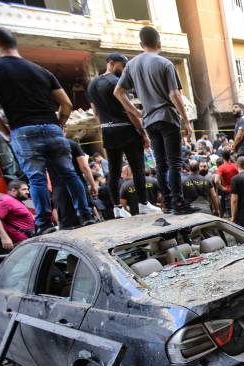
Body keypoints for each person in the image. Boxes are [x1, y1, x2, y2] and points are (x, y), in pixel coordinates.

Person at [0, 26, 94, 234]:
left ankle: (44, 223)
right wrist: (59, 125)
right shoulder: (41, 71)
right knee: (69, 174)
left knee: (36, 179)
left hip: (23, 129)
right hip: (52, 127)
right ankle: (86, 215)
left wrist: (5, 131)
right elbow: (66, 104)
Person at [114, 26, 198, 215]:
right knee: (174, 162)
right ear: (159, 43)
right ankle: (178, 202)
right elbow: (174, 95)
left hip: (149, 120)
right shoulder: (165, 63)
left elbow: (118, 92)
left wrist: (136, 111)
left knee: (161, 163)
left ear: (141, 44)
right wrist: (186, 121)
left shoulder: (131, 65)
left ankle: (167, 202)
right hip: (167, 117)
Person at [88, 53, 160, 219]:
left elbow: (96, 113)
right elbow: (129, 111)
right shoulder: (116, 82)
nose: (125, 69)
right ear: (111, 63)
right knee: (138, 168)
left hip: (107, 130)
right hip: (126, 130)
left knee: (113, 171)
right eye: (123, 65)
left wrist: (107, 125)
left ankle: (117, 207)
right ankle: (143, 204)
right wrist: (143, 133)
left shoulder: (92, 85)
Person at [52, 139, 99, 229]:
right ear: (63, 129)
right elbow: (84, 167)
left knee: (68, 224)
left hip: (59, 189)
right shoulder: (71, 144)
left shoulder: (43, 146)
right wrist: (93, 185)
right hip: (78, 185)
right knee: (88, 222)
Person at [0, 180, 35, 250]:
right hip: (20, 244)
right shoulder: (5, 200)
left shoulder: (16, 200)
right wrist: (4, 238)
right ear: (13, 190)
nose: (27, 192)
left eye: (27, 189)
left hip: (27, 241)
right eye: (24, 189)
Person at [217, 150, 238, 217]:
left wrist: (222, 188)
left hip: (228, 191)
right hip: (237, 191)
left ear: (223, 158)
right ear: (230, 157)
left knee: (230, 212)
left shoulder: (221, 167)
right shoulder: (235, 166)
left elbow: (216, 180)